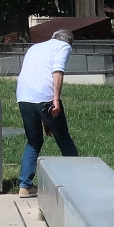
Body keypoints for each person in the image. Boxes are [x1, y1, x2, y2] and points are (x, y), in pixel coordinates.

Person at [15, 27, 79, 199]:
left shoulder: (34, 47)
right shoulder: (64, 46)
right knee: (63, 139)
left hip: (24, 97)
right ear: (68, 41)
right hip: (46, 98)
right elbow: (57, 71)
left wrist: (45, 120)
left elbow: (36, 73)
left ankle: (25, 185)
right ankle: (78, 182)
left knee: (33, 141)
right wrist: (56, 100)